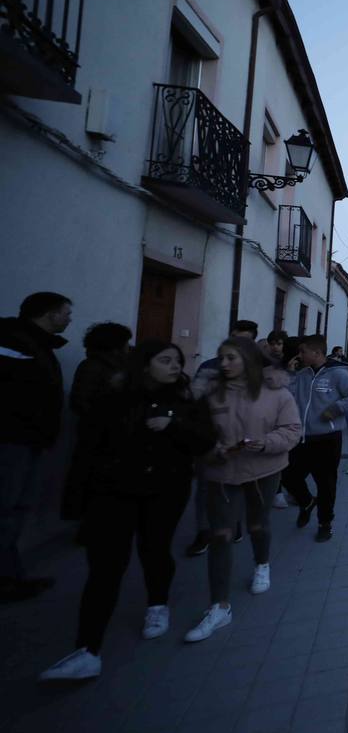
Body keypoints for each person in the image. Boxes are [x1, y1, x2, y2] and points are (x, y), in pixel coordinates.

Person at [38, 341, 216, 680]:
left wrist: (174, 424)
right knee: (105, 567)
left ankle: (157, 605)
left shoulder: (188, 401)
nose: (175, 366)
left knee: (155, 550)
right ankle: (87, 649)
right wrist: (76, 502)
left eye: (177, 361)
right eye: (165, 360)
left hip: (165, 491)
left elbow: (204, 441)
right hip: (113, 493)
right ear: (144, 364)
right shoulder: (113, 401)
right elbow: (87, 450)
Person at [183, 337, 301, 643]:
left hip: (263, 470)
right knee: (220, 534)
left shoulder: (277, 393)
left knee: (258, 524)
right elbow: (195, 430)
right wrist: (210, 448)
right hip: (220, 472)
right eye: (221, 357)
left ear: (248, 360)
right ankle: (219, 605)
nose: (223, 364)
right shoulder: (209, 392)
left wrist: (266, 443)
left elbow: (291, 430)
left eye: (231, 358)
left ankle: (262, 564)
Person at [0, 291, 72, 602]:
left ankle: (11, 576)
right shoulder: (15, 343)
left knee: (15, 509)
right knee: (6, 509)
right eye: (65, 312)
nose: (69, 318)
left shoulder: (35, 344)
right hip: (11, 439)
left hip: (29, 439)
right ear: (48, 314)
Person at [185, 319, 261, 556]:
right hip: (211, 440)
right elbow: (194, 404)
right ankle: (204, 531)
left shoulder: (259, 371)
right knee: (206, 488)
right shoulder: (210, 367)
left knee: (238, 486)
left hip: (243, 441)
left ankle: (234, 523)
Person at [284, 335, 348, 543]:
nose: (299, 356)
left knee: (326, 484)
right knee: (288, 475)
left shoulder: (338, 374)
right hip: (302, 438)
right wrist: (289, 374)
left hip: (327, 439)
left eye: (303, 352)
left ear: (316, 353)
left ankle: (325, 523)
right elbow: (288, 397)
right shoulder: (301, 375)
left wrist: (337, 408)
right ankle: (306, 502)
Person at [63, 321, 133, 522]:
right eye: (126, 342)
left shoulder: (119, 365)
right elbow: (80, 401)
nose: (129, 346)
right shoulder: (93, 366)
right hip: (98, 435)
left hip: (112, 434)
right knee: (92, 479)